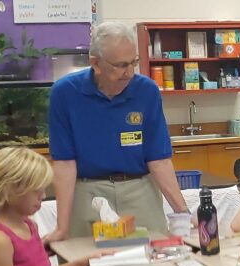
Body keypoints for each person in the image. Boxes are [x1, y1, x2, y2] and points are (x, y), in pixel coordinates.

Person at [46, 21, 190, 242]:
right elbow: (64, 164)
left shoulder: (147, 91)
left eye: (134, 62)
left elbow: (159, 160)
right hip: (88, 193)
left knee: (153, 256)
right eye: (121, 65)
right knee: (86, 257)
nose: (129, 73)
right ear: (95, 63)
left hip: (140, 189)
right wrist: (61, 227)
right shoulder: (65, 93)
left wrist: (183, 212)